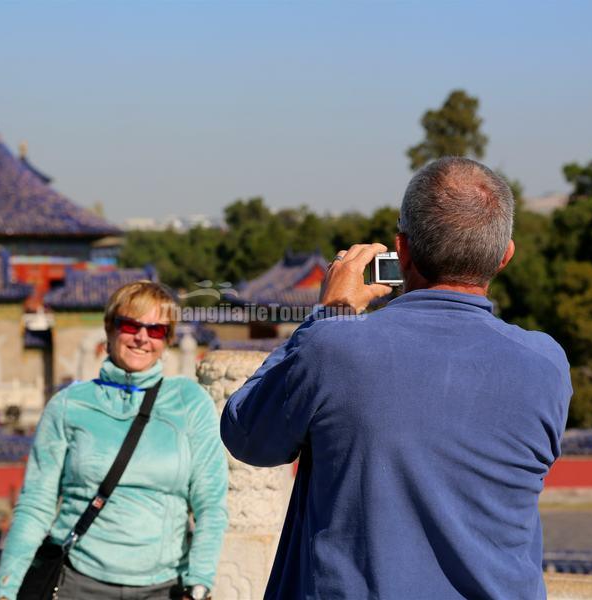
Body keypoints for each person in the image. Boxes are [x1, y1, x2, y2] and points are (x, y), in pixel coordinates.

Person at [221, 157, 572, 599]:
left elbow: (247, 434)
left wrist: (327, 316)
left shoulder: (335, 348)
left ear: (401, 250)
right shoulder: (546, 364)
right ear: (504, 256)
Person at [0, 281, 228, 600]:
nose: (142, 337)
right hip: (78, 580)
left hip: (163, 586)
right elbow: (36, 505)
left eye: (156, 329)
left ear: (167, 340)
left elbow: (210, 503)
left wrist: (198, 583)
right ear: (110, 329)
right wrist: (5, 589)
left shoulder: (189, 402)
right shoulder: (69, 405)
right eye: (131, 325)